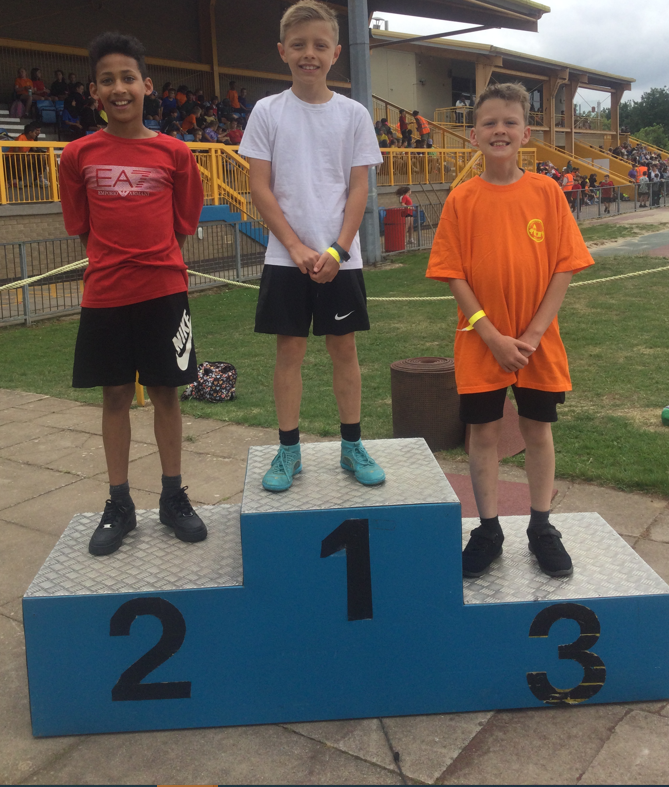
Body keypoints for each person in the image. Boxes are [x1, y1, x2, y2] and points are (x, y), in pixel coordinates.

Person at [425, 81, 594, 579]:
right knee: (484, 433)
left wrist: (535, 334)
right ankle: (488, 529)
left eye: (510, 122)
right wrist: (490, 335)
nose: (500, 130)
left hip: (537, 343)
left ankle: (541, 527)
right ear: (473, 135)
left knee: (537, 431)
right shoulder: (462, 199)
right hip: (481, 342)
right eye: (490, 123)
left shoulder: (547, 191)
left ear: (526, 134)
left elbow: (564, 266)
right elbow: (452, 272)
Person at [58, 31, 206, 556]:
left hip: (163, 290)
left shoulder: (175, 153)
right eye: (107, 80)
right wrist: (114, 263)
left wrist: (155, 262)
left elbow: (183, 223)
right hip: (105, 296)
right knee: (115, 395)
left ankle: (172, 497)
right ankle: (119, 502)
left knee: (167, 393)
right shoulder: (77, 155)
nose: (118, 88)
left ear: (146, 85)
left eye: (127, 78)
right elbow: (81, 227)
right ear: (93, 91)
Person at [239, 0, 385, 493]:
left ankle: (351, 445)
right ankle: (288, 451)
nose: (309, 54)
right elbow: (261, 186)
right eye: (299, 45)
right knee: (290, 351)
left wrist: (338, 251)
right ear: (282, 51)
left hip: (339, 257)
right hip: (286, 256)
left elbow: (358, 189)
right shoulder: (267, 111)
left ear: (336, 52)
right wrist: (297, 247)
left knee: (344, 349)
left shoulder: (353, 115)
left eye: (320, 45)